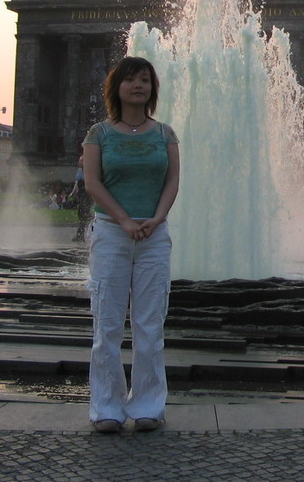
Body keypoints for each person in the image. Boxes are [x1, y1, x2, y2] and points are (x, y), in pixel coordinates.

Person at [83, 56, 180, 434]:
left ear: (152, 89)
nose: (138, 86)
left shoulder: (165, 134)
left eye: (144, 80)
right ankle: (106, 408)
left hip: (154, 236)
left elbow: (172, 181)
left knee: (149, 324)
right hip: (111, 233)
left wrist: (156, 218)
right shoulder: (99, 134)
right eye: (130, 80)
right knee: (107, 323)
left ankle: (147, 406)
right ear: (117, 88)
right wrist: (124, 220)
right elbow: (93, 183)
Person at [69, 154, 92, 243]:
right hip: (81, 193)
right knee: (82, 214)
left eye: (81, 161)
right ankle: (80, 235)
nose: (80, 162)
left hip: (87, 194)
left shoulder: (90, 170)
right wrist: (73, 192)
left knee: (83, 215)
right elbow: (77, 182)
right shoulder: (79, 170)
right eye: (79, 160)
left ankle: (81, 235)